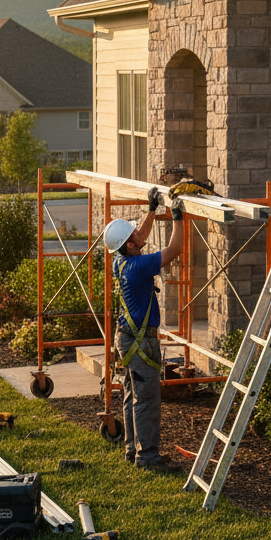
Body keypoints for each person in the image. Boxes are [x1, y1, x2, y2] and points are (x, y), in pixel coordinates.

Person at [103, 185, 184, 472]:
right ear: (129, 245)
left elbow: (140, 236)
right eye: (133, 233)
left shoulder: (120, 260)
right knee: (146, 399)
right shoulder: (138, 267)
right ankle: (147, 458)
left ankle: (131, 449)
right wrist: (177, 216)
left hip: (126, 339)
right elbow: (175, 249)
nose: (139, 231)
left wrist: (151, 210)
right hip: (140, 343)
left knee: (131, 392)